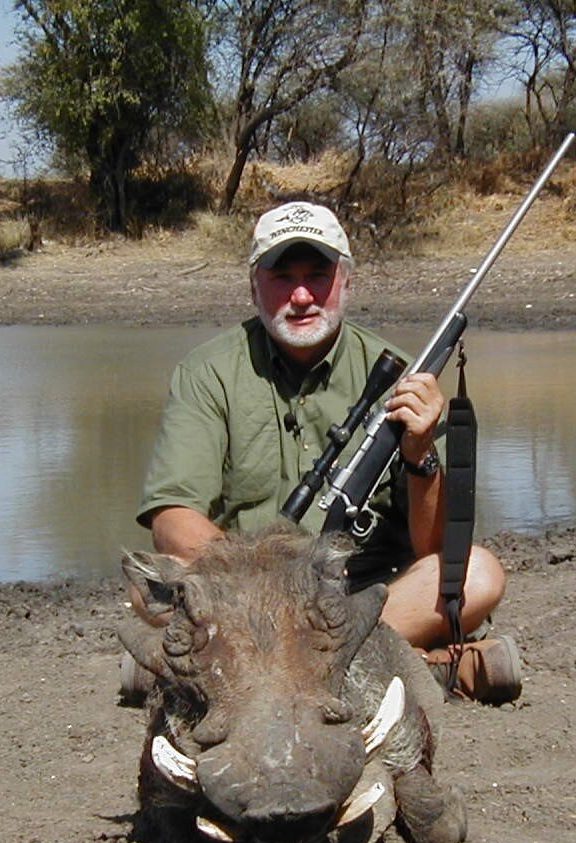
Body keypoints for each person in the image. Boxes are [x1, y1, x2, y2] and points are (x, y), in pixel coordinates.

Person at [127, 201, 520, 703]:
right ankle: (419, 668)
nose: (301, 295)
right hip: (248, 595)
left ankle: (234, 674)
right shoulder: (207, 373)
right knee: (148, 587)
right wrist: (260, 586)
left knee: (479, 572)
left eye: (318, 275)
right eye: (282, 276)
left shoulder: (400, 379)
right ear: (254, 286)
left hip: (361, 598)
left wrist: (422, 453)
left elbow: (436, 549)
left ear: (347, 282)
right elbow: (172, 518)